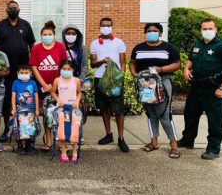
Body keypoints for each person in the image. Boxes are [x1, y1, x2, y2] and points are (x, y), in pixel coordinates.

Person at [129, 23, 181, 159]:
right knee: (151, 114)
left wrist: (162, 69)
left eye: (155, 31)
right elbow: (132, 62)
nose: (151, 33)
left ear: (160, 33)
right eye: (149, 31)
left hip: (162, 82)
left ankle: (174, 145)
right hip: (145, 84)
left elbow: (177, 64)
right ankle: (154, 142)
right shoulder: (138, 48)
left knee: (164, 114)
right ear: (145, 33)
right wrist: (135, 74)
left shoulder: (168, 48)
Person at [177, 18, 222, 160]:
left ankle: (213, 148)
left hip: (214, 90)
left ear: (216, 30)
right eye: (204, 29)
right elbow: (191, 60)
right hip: (196, 87)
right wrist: (186, 69)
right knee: (190, 115)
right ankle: (188, 140)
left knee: (214, 121)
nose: (207, 31)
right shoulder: (197, 44)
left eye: (210, 28)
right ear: (201, 30)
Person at [0, 0, 36, 142]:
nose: (12, 10)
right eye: (10, 8)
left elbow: (32, 44)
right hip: (6, 71)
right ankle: (7, 129)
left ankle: (25, 128)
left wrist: (31, 64)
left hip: (23, 71)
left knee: (24, 99)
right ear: (6, 10)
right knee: (6, 102)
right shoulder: (0, 25)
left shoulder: (25, 25)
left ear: (19, 9)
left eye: (15, 8)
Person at [90, 17, 129, 152]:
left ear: (112, 27)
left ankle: (121, 138)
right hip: (100, 79)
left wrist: (121, 75)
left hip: (115, 80)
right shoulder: (94, 43)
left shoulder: (119, 42)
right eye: (103, 25)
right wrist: (102, 61)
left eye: (108, 25)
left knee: (118, 109)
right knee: (104, 108)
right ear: (99, 27)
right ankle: (108, 134)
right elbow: (92, 64)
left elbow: (123, 62)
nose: (106, 27)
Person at [29, 21, 67, 151]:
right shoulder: (36, 48)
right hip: (43, 88)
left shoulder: (60, 47)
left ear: (54, 35)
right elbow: (34, 67)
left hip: (59, 87)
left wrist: (57, 84)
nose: (47, 36)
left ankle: (61, 141)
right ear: (41, 36)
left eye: (49, 34)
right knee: (47, 115)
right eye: (44, 34)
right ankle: (49, 141)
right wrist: (44, 85)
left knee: (60, 114)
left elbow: (64, 66)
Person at [50, 60, 82, 163]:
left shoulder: (76, 80)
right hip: (62, 108)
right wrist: (58, 99)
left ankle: (74, 150)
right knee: (62, 129)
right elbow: (53, 92)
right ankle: (63, 150)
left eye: (69, 69)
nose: (66, 71)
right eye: (64, 69)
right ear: (61, 69)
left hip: (73, 108)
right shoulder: (57, 80)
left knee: (75, 128)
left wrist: (77, 101)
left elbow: (79, 93)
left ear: (72, 70)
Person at [11, 65, 39, 155]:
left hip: (30, 110)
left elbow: (36, 96)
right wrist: (13, 109)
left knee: (29, 127)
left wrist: (37, 109)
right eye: (21, 73)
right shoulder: (15, 83)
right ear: (17, 73)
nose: (24, 74)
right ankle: (19, 145)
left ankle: (28, 145)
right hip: (19, 110)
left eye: (26, 73)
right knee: (19, 128)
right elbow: (13, 96)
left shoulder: (33, 83)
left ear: (30, 73)